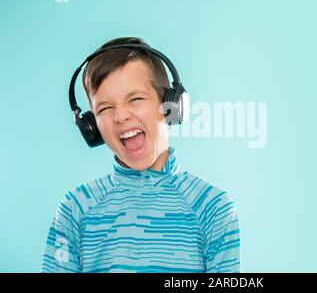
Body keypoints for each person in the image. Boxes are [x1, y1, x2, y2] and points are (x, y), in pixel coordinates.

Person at [41, 37, 241, 273]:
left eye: (135, 99)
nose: (120, 116)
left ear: (171, 106)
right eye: (105, 108)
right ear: (91, 126)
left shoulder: (212, 208)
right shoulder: (75, 209)